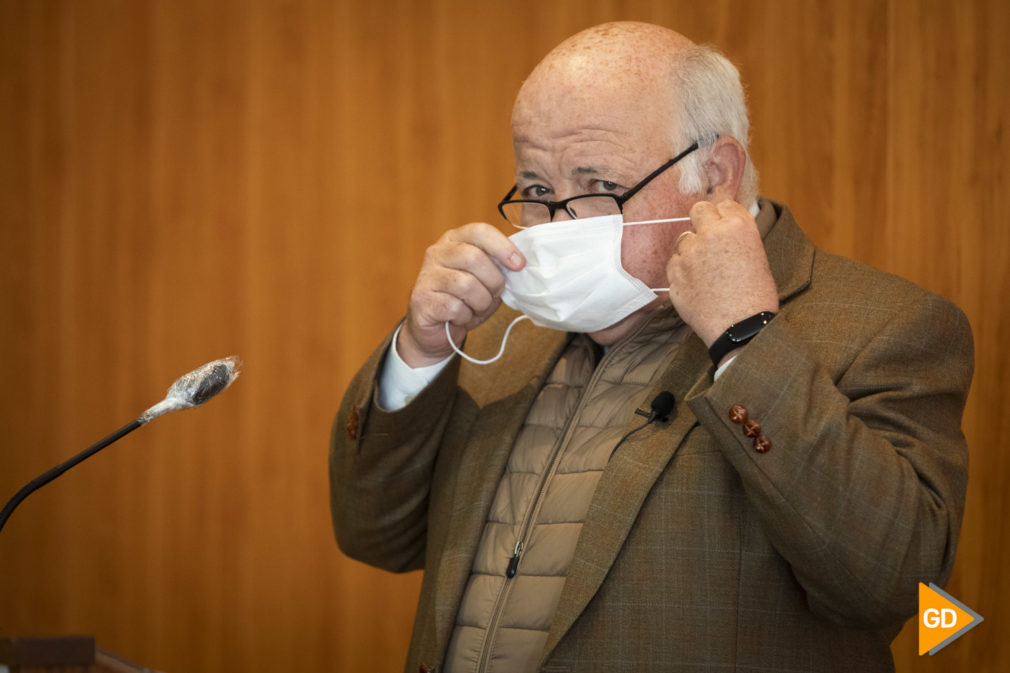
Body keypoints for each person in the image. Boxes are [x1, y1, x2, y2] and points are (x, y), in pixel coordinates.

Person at [330, 21, 973, 673]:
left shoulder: (885, 325)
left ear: (716, 176)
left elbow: (897, 582)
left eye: (598, 186)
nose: (557, 225)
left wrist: (745, 340)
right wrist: (420, 349)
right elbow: (375, 534)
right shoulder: (496, 329)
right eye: (537, 191)